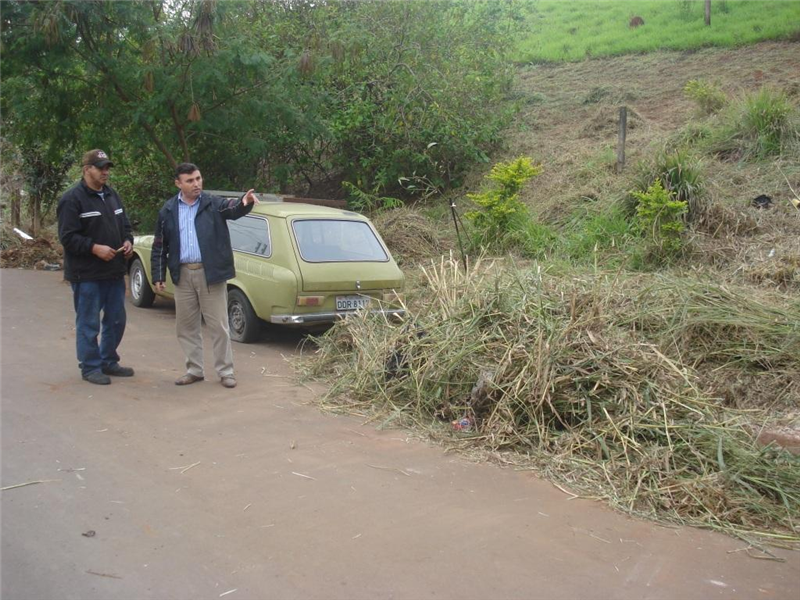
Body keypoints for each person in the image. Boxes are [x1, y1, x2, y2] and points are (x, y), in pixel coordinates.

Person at [151, 163, 258, 388]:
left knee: (218, 326)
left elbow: (232, 208)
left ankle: (226, 371)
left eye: (198, 178)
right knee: (186, 326)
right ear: (178, 183)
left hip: (211, 274)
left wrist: (244, 202)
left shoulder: (213, 203)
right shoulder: (168, 209)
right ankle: (194, 370)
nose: (196, 184)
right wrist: (158, 274)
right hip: (183, 275)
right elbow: (160, 245)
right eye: (190, 180)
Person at [57, 149, 134, 385]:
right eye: (100, 167)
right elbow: (67, 237)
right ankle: (90, 367)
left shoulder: (112, 195)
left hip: (113, 272)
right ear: (86, 169)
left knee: (116, 319)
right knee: (88, 323)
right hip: (87, 275)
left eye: (107, 167)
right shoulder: (72, 199)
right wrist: (94, 248)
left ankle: (108, 360)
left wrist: (128, 240)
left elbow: (126, 225)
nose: (105, 171)